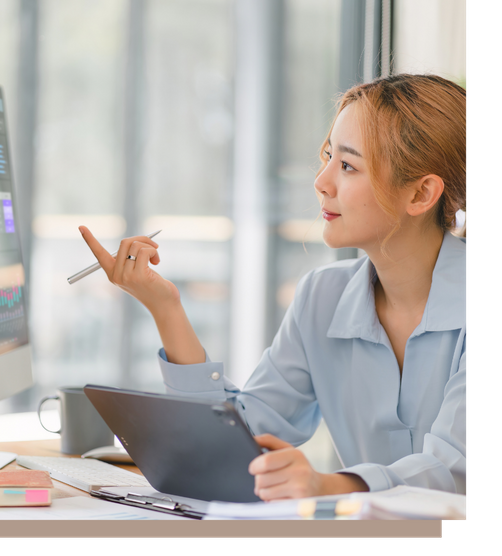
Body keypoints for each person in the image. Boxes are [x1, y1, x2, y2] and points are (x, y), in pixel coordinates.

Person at [79, 73, 468, 501]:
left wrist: (326, 485)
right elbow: (240, 439)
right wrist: (165, 307)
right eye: (327, 156)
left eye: (348, 166)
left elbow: (456, 469)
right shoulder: (323, 298)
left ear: (421, 194)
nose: (321, 182)